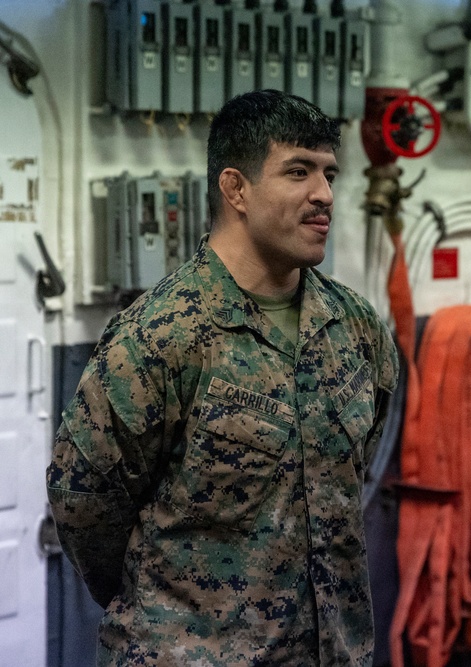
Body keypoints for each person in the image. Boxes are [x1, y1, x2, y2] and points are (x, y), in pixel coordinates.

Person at [47, 89, 398, 666]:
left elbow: (353, 471)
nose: (325, 196)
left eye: (330, 174)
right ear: (235, 189)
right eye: (298, 172)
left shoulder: (355, 329)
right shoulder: (162, 335)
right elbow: (85, 505)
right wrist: (165, 615)